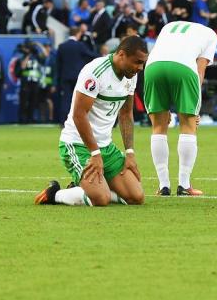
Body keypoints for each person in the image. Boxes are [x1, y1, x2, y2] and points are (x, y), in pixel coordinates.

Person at [33, 36, 148, 207]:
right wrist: (95, 154)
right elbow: (79, 115)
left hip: (106, 147)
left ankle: (83, 188)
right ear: (122, 54)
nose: (140, 68)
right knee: (101, 199)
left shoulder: (131, 74)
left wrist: (129, 152)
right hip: (78, 145)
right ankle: (55, 194)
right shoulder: (95, 72)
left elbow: (125, 114)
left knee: (136, 197)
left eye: (143, 63)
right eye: (137, 62)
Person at [144, 20, 217, 196]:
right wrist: (195, 109)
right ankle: (184, 185)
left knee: (158, 127)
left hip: (153, 66)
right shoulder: (211, 34)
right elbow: (200, 70)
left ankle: (163, 186)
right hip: (183, 67)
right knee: (188, 125)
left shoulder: (169, 25)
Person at [54, 27, 98, 124]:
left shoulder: (62, 46)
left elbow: (58, 65)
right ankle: (78, 120)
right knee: (79, 99)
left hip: (65, 77)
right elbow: (91, 55)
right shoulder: (80, 45)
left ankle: (64, 121)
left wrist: (57, 80)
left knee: (66, 99)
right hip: (78, 77)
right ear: (78, 33)